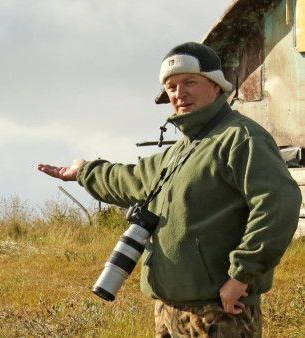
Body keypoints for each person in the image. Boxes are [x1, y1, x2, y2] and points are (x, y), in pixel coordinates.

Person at [37, 42, 302, 337]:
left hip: (219, 311)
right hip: (169, 309)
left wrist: (242, 276)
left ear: (216, 86)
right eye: (171, 86)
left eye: (190, 82)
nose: (179, 93)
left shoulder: (241, 138)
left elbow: (278, 204)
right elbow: (132, 180)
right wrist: (85, 172)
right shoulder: (181, 150)